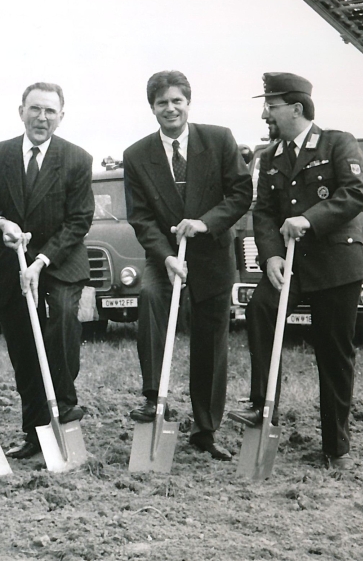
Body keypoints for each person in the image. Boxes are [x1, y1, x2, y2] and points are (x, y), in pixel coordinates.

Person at [228, 73, 363, 471]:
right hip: (289, 265)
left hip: (336, 264)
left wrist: (308, 219)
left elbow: (355, 194)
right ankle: (263, 407)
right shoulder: (268, 157)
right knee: (260, 309)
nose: (265, 115)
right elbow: (263, 212)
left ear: (296, 108)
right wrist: (271, 257)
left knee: (333, 351)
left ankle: (336, 448)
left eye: (271, 107)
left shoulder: (337, 143)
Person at [122, 71, 251, 461]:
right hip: (164, 255)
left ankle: (205, 430)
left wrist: (205, 223)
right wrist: (166, 256)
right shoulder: (136, 155)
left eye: (177, 100)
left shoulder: (219, 139)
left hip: (212, 254)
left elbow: (241, 193)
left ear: (188, 103)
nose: (170, 108)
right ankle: (153, 398)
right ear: (152, 108)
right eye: (162, 102)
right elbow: (141, 217)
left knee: (210, 341)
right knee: (150, 297)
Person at [0, 82, 94, 460]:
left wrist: (42, 260)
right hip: (11, 260)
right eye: (35, 109)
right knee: (24, 346)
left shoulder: (77, 159)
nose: (41, 117)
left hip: (60, 259)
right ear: (21, 112)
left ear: (61, 116)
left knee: (61, 317)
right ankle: (34, 432)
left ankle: (64, 404)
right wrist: (1, 224)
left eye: (50, 111)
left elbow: (79, 220)